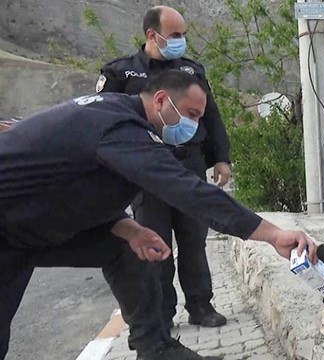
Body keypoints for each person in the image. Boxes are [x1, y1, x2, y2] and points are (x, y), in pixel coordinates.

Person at [0, 70, 318, 360]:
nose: (193, 127)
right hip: (9, 228)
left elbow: (74, 183)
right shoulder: (121, 127)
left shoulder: (114, 112)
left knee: (130, 247)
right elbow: (188, 191)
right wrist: (273, 234)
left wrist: (127, 227)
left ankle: (155, 349)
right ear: (162, 100)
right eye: (191, 115)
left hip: (31, 228)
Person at [97, 5, 232, 328]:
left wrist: (221, 158)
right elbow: (104, 121)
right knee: (155, 244)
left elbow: (210, 116)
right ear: (151, 34)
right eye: (174, 35)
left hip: (189, 164)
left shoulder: (191, 72)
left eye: (183, 35)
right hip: (146, 172)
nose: (180, 41)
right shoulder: (121, 73)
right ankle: (162, 312)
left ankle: (201, 305)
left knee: (194, 241)